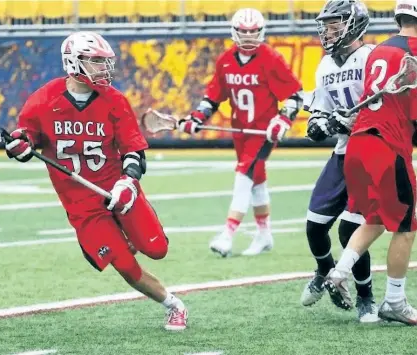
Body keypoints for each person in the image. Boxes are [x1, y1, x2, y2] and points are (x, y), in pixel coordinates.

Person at [5, 31, 188, 331]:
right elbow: (27, 141)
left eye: (104, 63)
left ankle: (123, 235)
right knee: (125, 266)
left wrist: (127, 183)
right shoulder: (43, 101)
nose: (103, 69)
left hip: (118, 189)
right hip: (81, 203)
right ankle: (174, 305)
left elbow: (134, 150)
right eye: (95, 62)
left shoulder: (114, 100)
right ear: (72, 63)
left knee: (157, 250)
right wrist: (19, 146)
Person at [177, 8, 303, 257]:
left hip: (263, 133)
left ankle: (227, 234)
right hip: (240, 131)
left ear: (261, 32)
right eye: (243, 32)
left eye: (253, 32)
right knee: (257, 181)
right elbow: (213, 97)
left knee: (243, 175)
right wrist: (196, 118)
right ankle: (264, 234)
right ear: (235, 32)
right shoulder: (225, 60)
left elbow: (294, 96)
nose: (247, 37)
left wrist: (283, 119)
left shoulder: (271, 58)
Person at [324, 0, 417, 325]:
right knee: (407, 226)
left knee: (377, 216)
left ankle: (339, 272)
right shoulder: (413, 51)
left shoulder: (379, 50)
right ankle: (394, 300)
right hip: (387, 144)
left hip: (359, 145)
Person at [300, 0, 379, 323]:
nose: (328, 30)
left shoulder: (372, 57)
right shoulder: (326, 66)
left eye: (336, 23)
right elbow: (321, 110)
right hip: (343, 153)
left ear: (355, 23)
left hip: (371, 151)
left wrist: (343, 121)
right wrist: (318, 124)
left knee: (350, 230)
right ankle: (323, 269)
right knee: (314, 226)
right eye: (326, 24)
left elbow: (380, 106)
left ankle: (366, 298)